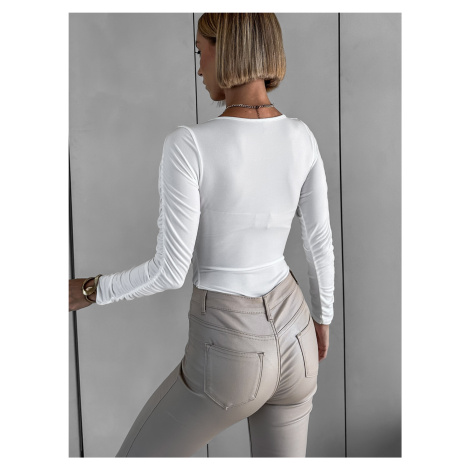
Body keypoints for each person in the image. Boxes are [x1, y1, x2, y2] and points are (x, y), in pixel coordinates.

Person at [69, 13, 335, 457]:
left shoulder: (189, 144)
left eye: (200, 50)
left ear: (224, 50)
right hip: (299, 337)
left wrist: (88, 290)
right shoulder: (301, 136)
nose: (198, 67)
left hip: (230, 349)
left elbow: (170, 271)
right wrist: (321, 320)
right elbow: (319, 243)